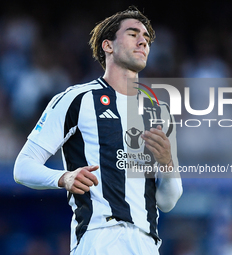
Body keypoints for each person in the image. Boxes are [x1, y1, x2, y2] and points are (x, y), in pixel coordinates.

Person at [14, 6, 182, 255]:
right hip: (100, 238)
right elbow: (23, 167)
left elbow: (168, 202)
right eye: (133, 34)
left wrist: (168, 165)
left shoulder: (159, 112)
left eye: (146, 38)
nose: (142, 42)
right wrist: (63, 177)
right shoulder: (77, 99)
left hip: (147, 244)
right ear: (108, 46)